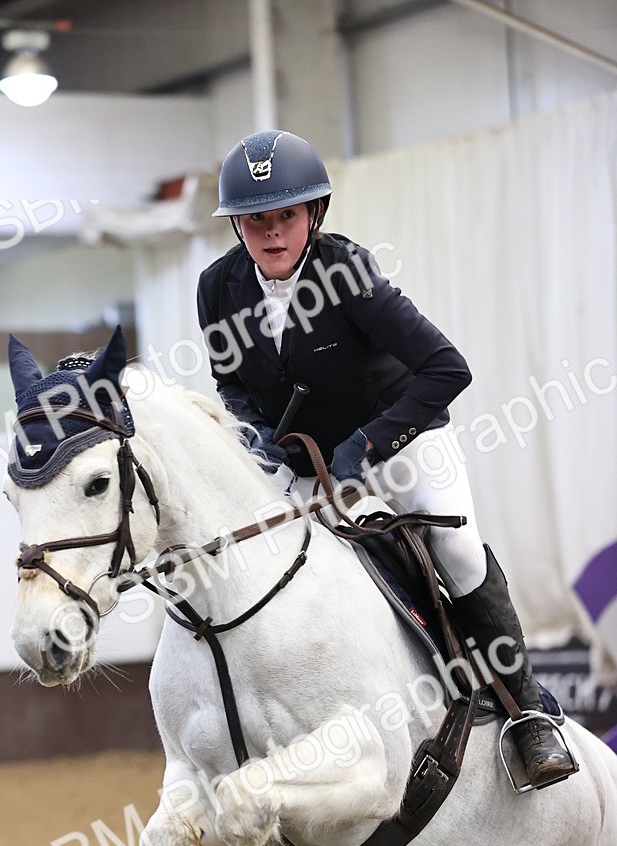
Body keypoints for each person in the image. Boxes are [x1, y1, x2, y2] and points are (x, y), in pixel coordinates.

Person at [197, 128, 574, 790]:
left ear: (314, 215)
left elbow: (446, 367)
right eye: (256, 220)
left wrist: (366, 444)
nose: (273, 233)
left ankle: (527, 713)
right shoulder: (218, 288)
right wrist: (254, 432)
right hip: (308, 458)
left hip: (402, 435)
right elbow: (231, 382)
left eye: (286, 215)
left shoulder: (347, 272)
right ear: (238, 228)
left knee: (456, 554)